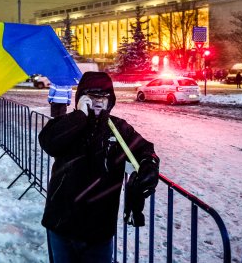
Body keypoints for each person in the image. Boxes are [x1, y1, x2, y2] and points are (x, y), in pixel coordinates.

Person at [39, 71, 160, 262]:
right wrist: (79, 116)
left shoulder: (119, 129)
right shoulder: (65, 124)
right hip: (61, 224)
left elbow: (145, 150)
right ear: (80, 98)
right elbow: (49, 142)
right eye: (91, 96)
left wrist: (149, 165)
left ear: (110, 100)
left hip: (99, 230)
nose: (97, 101)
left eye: (103, 97)